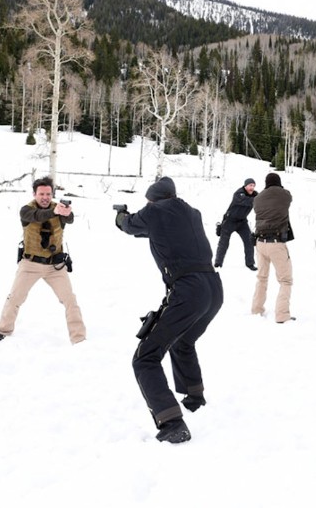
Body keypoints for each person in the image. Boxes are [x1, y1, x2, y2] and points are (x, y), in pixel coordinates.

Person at [116, 176, 224, 444]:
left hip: (188, 290)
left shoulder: (153, 211)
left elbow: (131, 226)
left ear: (152, 198)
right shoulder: (192, 212)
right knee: (183, 340)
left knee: (145, 357)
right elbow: (154, 231)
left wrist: (120, 217)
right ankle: (194, 397)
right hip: (214, 289)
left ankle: (172, 423)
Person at [0, 177, 86, 344]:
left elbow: (69, 218)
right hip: (30, 264)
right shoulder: (26, 210)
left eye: (48, 194)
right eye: (41, 194)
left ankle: (79, 338)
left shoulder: (58, 209)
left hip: (55, 267)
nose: (45, 197)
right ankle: (3, 330)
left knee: (70, 301)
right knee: (15, 298)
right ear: (34, 194)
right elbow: (38, 216)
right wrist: (55, 212)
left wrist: (67, 213)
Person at [251, 172, 295, 324]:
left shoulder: (257, 198)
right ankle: (282, 315)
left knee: (261, 278)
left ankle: (256, 309)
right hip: (276, 243)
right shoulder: (284, 195)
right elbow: (288, 198)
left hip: (260, 243)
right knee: (285, 280)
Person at [214, 178, 258, 270]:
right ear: (245, 186)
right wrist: (258, 199)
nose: (252, 188)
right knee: (223, 243)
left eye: (253, 186)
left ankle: (250, 263)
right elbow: (247, 201)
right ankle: (218, 263)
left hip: (242, 222)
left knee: (249, 241)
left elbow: (260, 201)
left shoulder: (255, 195)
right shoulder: (239, 193)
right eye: (250, 185)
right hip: (230, 221)